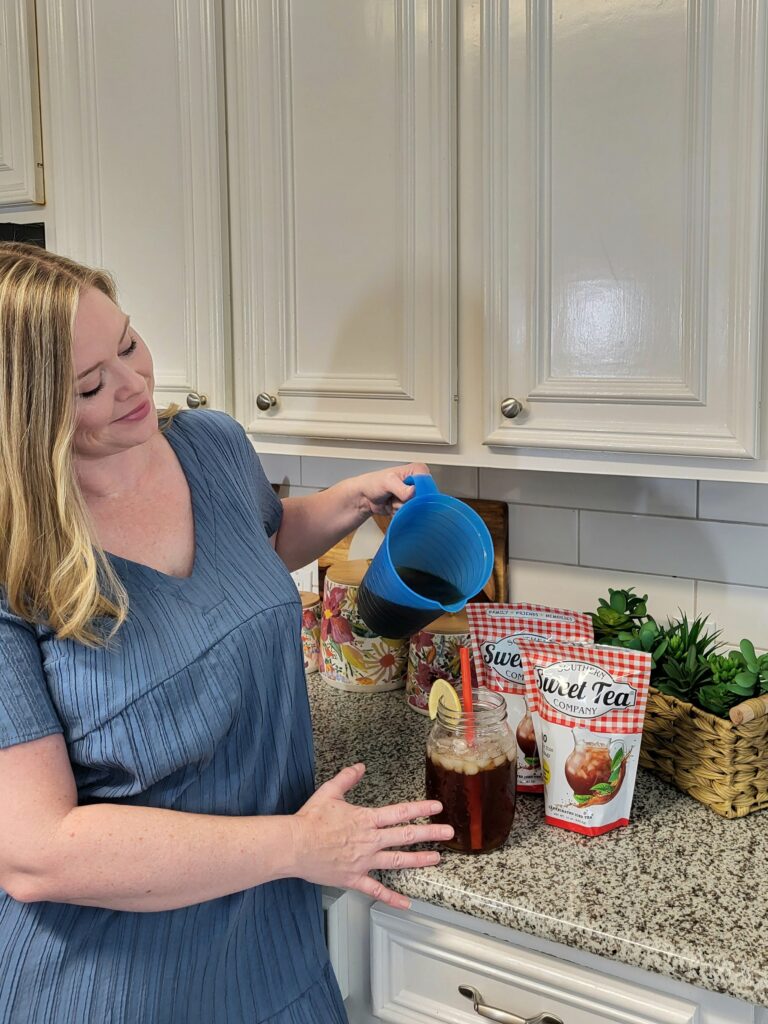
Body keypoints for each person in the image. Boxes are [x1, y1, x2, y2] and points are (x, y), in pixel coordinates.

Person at [0, 243, 453, 1024]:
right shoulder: (15, 560)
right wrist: (294, 847)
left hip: (274, 941)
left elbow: (258, 545)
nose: (136, 384)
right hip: (113, 983)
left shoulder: (208, 445)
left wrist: (351, 498)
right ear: (25, 413)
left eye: (129, 344)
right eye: (90, 385)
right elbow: (37, 851)